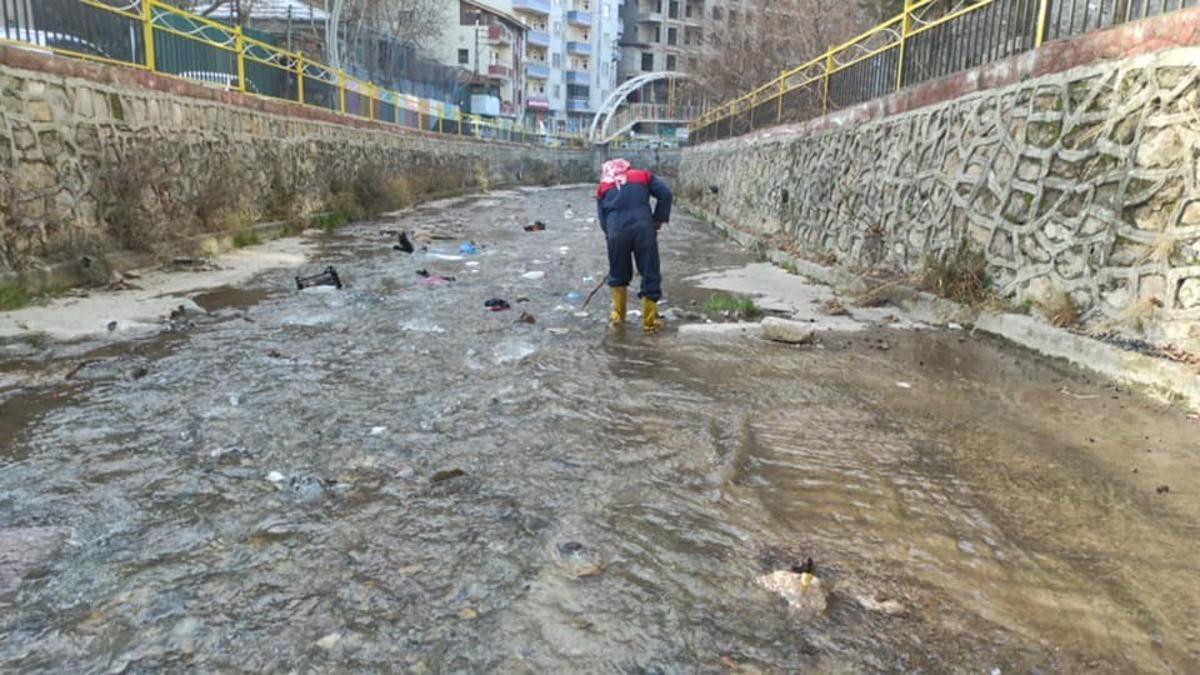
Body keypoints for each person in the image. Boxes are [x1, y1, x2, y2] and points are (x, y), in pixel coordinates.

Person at [595, 158, 673, 333]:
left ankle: (618, 317)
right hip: (643, 230)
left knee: (618, 273)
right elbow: (665, 194)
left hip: (616, 232)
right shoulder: (643, 176)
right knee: (649, 271)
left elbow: (602, 218)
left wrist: (611, 235)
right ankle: (649, 323)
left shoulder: (604, 186)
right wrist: (658, 219)